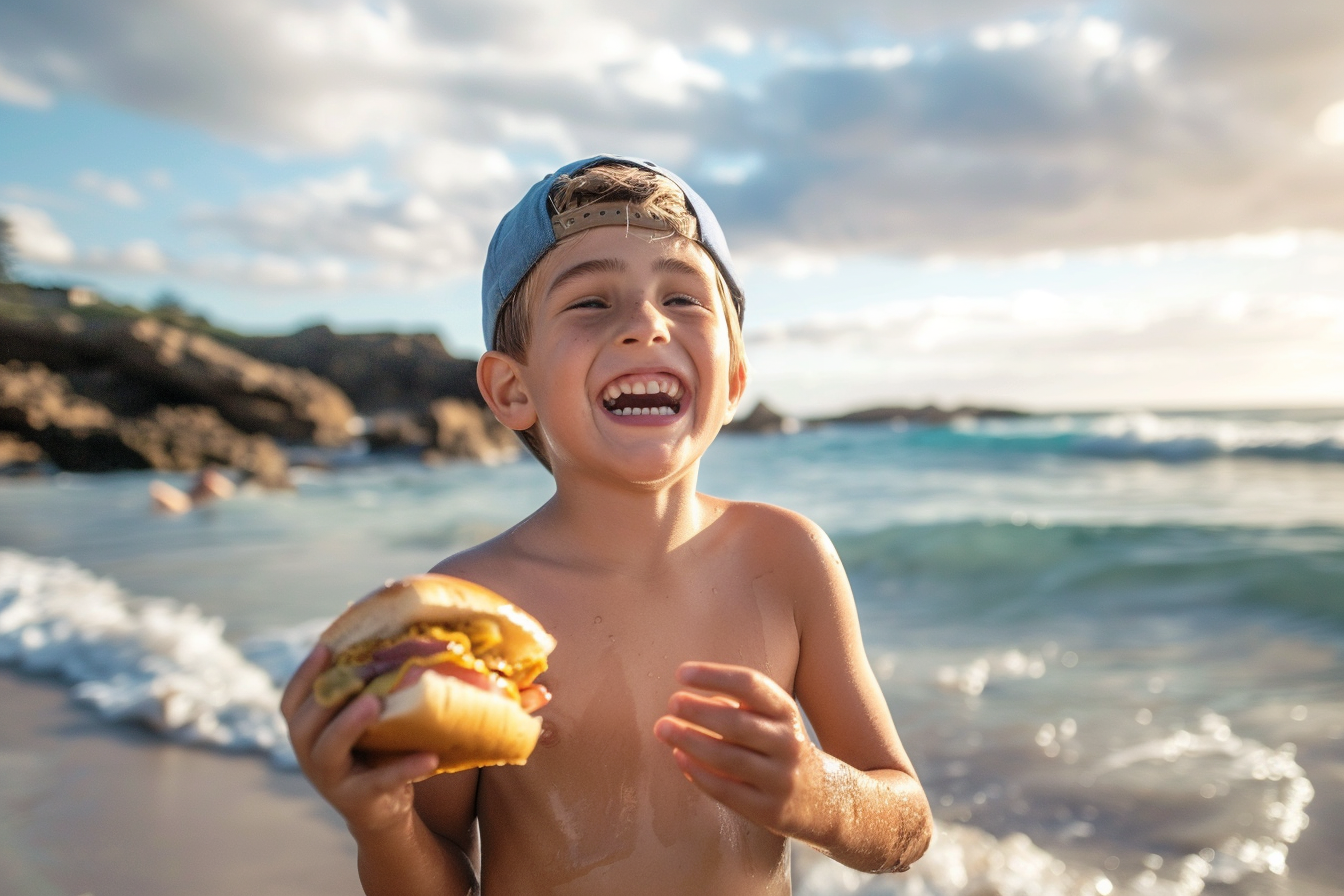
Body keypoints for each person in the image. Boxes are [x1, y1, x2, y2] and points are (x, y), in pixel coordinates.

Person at [282, 155, 931, 895]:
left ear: (736, 380)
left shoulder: (787, 560)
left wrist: (821, 794)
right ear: (511, 388)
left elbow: (906, 826)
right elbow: (440, 877)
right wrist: (382, 822)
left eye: (684, 298)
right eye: (591, 302)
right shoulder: (472, 605)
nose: (646, 324)